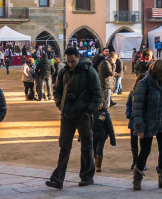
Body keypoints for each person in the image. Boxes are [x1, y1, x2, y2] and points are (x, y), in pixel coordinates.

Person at [46, 47, 102, 190]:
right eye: (68, 61)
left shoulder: (90, 72)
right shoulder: (63, 72)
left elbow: (97, 94)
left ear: (79, 57)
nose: (71, 64)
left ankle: (87, 177)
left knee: (86, 146)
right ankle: (58, 178)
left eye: (73, 61)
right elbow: (57, 90)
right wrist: (60, 104)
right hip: (67, 115)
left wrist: (88, 111)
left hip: (84, 115)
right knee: (64, 147)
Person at [131, 59, 162, 191]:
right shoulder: (143, 84)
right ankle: (137, 178)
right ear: (158, 72)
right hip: (148, 123)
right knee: (145, 151)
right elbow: (138, 107)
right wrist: (139, 128)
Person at [92, 107, 116, 173]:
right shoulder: (91, 112)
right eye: (98, 103)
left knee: (99, 149)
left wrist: (112, 139)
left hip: (102, 136)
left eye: (101, 103)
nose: (99, 105)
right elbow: (85, 125)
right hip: (93, 135)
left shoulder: (105, 113)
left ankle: (98, 166)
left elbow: (109, 126)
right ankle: (93, 164)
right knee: (93, 150)